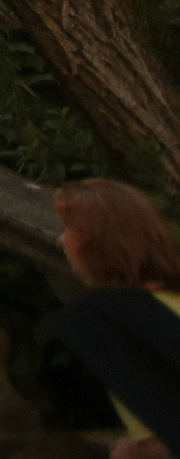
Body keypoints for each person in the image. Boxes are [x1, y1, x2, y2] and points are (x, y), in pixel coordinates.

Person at [54, 177, 180, 459]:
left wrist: (138, 452)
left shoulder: (105, 315)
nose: (61, 240)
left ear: (100, 240)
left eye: (69, 229)